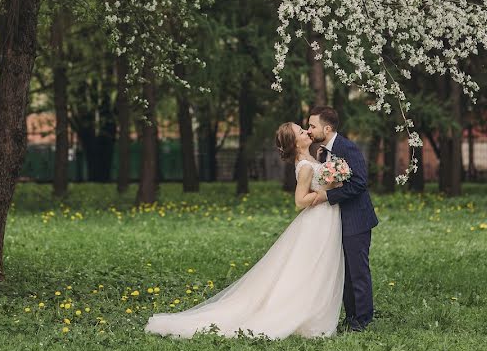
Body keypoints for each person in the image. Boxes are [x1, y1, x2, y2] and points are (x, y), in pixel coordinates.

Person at [144, 122, 343, 339]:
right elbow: (299, 201)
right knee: (310, 267)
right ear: (295, 143)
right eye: (301, 132)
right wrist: (325, 195)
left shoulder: (312, 159)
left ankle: (313, 312)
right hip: (316, 218)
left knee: (315, 267)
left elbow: (321, 181)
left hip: (324, 218)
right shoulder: (304, 165)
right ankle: (299, 314)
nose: (306, 132)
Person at [307, 105, 379, 331]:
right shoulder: (325, 151)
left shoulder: (347, 147)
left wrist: (328, 195)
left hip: (356, 219)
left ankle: (362, 320)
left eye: (312, 126)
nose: (309, 130)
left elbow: (359, 183)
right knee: (345, 271)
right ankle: (351, 317)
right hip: (337, 221)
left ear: (326, 128)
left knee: (357, 271)